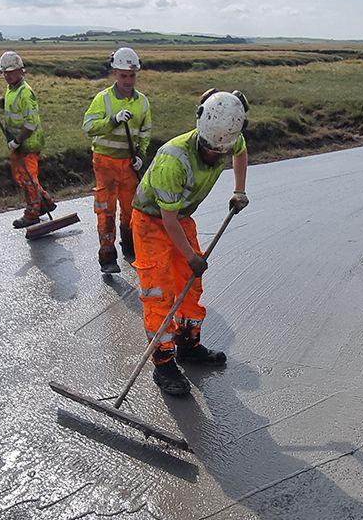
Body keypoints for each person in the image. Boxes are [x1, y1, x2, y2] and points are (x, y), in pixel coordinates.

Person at [130, 89, 250, 396]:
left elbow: (240, 151)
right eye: (211, 151)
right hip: (151, 222)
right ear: (201, 134)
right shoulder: (174, 160)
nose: (215, 156)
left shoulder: (227, 137)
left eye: (220, 152)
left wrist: (239, 190)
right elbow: (166, 220)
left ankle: (188, 345)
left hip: (180, 217)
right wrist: (191, 256)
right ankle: (163, 362)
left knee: (191, 284)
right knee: (159, 290)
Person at [82, 47, 152, 273]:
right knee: (106, 210)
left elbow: (145, 133)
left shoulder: (142, 102)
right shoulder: (103, 99)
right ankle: (107, 256)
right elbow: (89, 127)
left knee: (132, 209)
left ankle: (130, 246)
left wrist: (141, 156)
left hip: (129, 166)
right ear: (115, 73)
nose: (128, 80)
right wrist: (112, 120)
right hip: (105, 164)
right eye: (124, 75)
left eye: (132, 75)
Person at [0, 51, 54, 229]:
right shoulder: (12, 89)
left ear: (21, 71)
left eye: (11, 72)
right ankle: (46, 203)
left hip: (28, 143)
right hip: (18, 143)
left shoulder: (26, 93)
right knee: (22, 177)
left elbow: (31, 124)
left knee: (28, 178)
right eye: (4, 72)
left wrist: (18, 141)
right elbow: (6, 103)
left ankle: (32, 214)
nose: (7, 76)